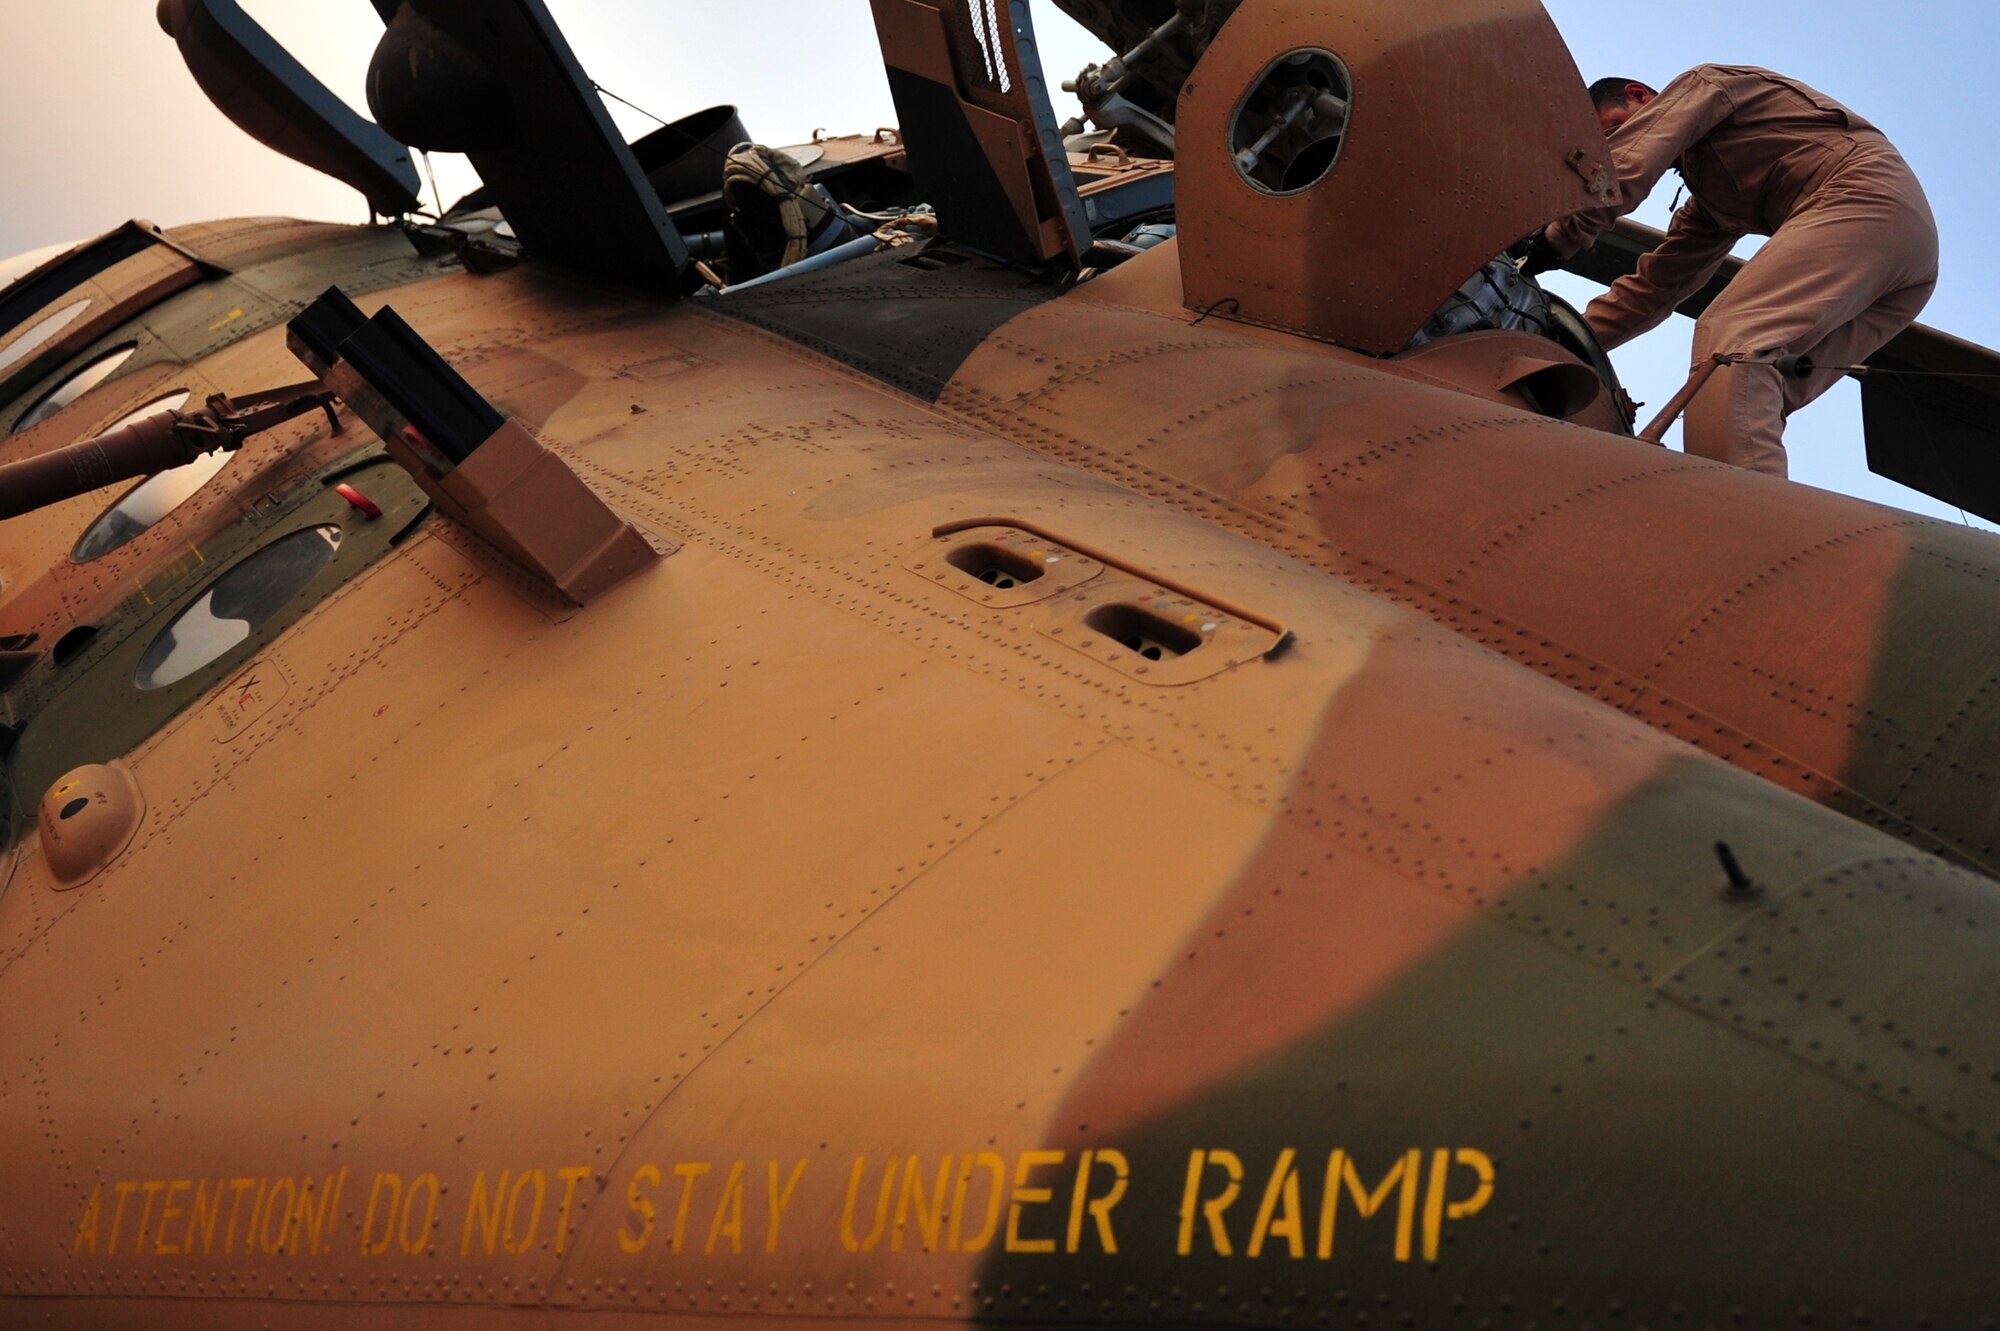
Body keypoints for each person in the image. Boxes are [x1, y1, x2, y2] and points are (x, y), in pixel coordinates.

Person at [1525, 67, 1938, 476]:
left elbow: (1624, 171)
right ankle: (1770, 525)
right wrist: (1555, 341)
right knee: (1753, 392)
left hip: (1864, 196)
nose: (1613, 146)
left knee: (1732, 345)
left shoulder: (1706, 85)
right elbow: (1653, 290)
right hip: (1906, 266)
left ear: (1639, 96)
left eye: (1612, 131)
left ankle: (1740, 520)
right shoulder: (1709, 205)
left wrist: (1553, 241)